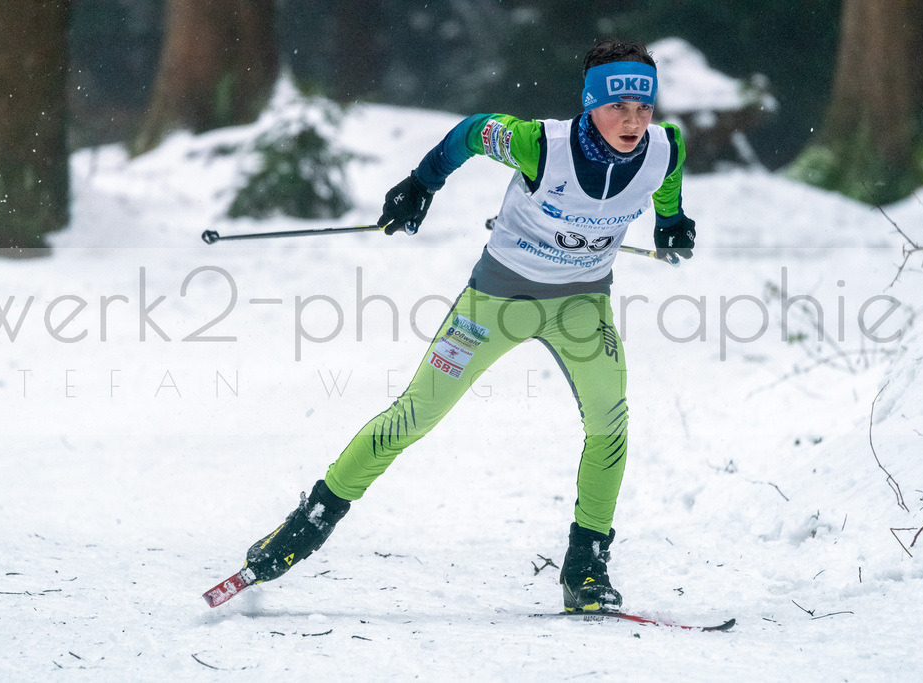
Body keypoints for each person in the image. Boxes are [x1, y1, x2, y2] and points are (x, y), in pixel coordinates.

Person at [239, 38, 695, 613]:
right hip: (496, 302)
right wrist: (421, 184)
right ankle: (307, 525)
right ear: (588, 103)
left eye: (643, 109)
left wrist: (672, 222)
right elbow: (471, 131)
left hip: (581, 305)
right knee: (415, 415)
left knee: (610, 420)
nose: (633, 122)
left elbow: (669, 179)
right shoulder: (537, 146)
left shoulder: (664, 147)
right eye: (617, 108)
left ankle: (586, 567)